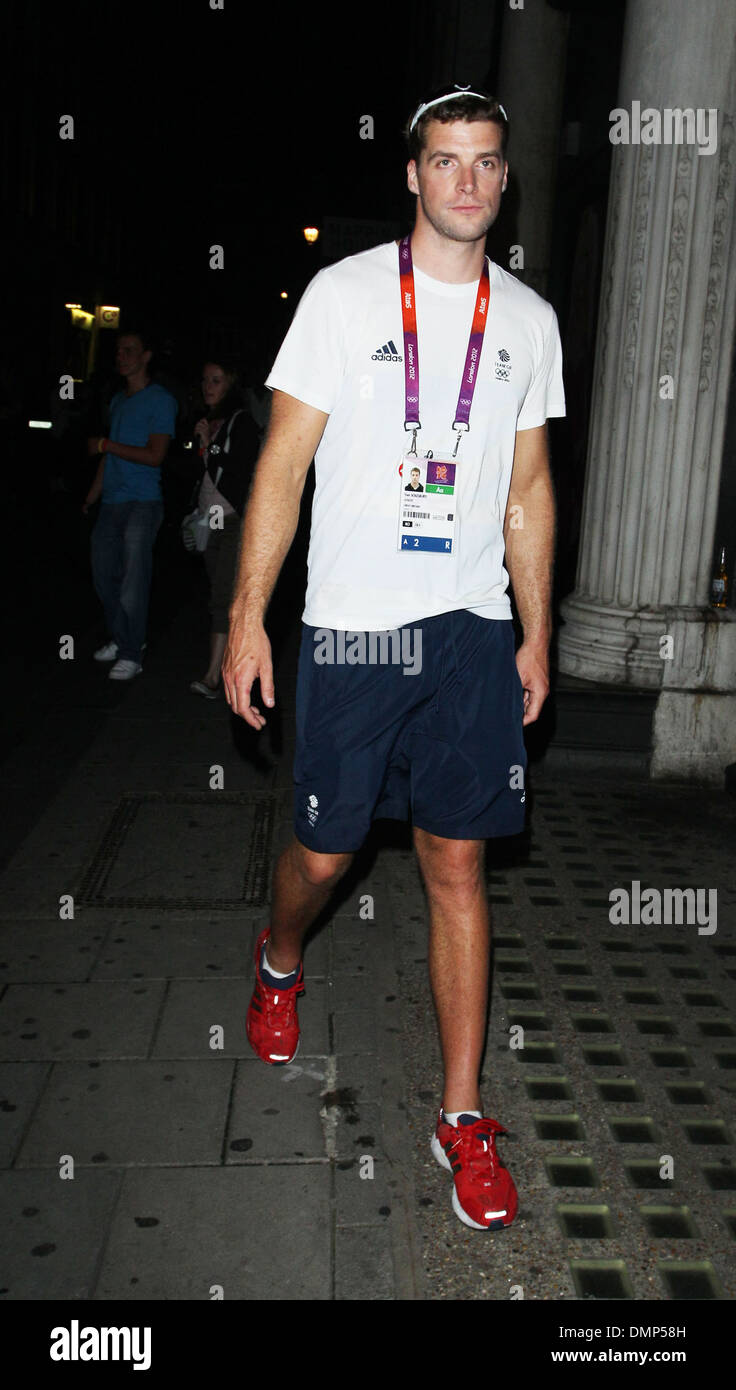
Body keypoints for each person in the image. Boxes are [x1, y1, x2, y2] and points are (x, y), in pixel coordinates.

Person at [222, 84, 565, 1231]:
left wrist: (535, 628)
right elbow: (281, 465)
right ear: (411, 176)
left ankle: (461, 1114)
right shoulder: (342, 294)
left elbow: (526, 489)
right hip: (355, 624)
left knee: (457, 864)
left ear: (503, 182)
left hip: (468, 627)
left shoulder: (527, 320)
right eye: (444, 160)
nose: (465, 180)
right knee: (322, 859)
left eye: (485, 163)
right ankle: (279, 959)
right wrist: (245, 616)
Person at [84, 330, 177, 680]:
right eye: (118, 351)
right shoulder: (118, 401)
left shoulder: (160, 400)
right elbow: (107, 458)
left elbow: (155, 456)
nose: (121, 356)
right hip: (111, 502)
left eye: (129, 351)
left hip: (143, 502)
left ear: (146, 356)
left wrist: (106, 445)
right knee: (102, 574)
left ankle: (131, 651)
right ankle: (122, 636)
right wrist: (91, 496)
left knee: (132, 580)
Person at [189, 359, 260, 697]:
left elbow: (235, 470)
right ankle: (232, 667)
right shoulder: (208, 422)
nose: (208, 386)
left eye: (216, 380)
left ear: (230, 384)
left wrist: (209, 444)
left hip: (232, 521)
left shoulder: (241, 423)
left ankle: (214, 676)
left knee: (222, 598)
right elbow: (200, 472)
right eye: (205, 380)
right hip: (208, 520)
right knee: (219, 595)